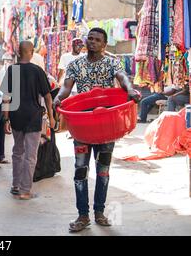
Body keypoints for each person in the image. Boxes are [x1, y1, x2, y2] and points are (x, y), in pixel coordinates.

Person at [53, 28, 140, 233]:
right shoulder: (75, 64)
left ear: (104, 44)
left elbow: (123, 77)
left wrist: (130, 89)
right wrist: (59, 97)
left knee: (103, 172)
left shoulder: (112, 62)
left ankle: (99, 212)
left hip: (106, 125)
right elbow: (67, 87)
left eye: (97, 40)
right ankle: (83, 215)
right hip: (82, 124)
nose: (92, 42)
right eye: (89, 38)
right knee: (80, 171)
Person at [0, 41, 55, 200]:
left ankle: (15, 186)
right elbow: (48, 96)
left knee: (17, 152)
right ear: (31, 52)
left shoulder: (12, 70)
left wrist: (6, 119)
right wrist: (51, 117)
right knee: (31, 155)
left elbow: (6, 98)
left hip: (16, 116)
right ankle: (25, 190)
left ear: (18, 51)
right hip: (33, 117)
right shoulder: (38, 71)